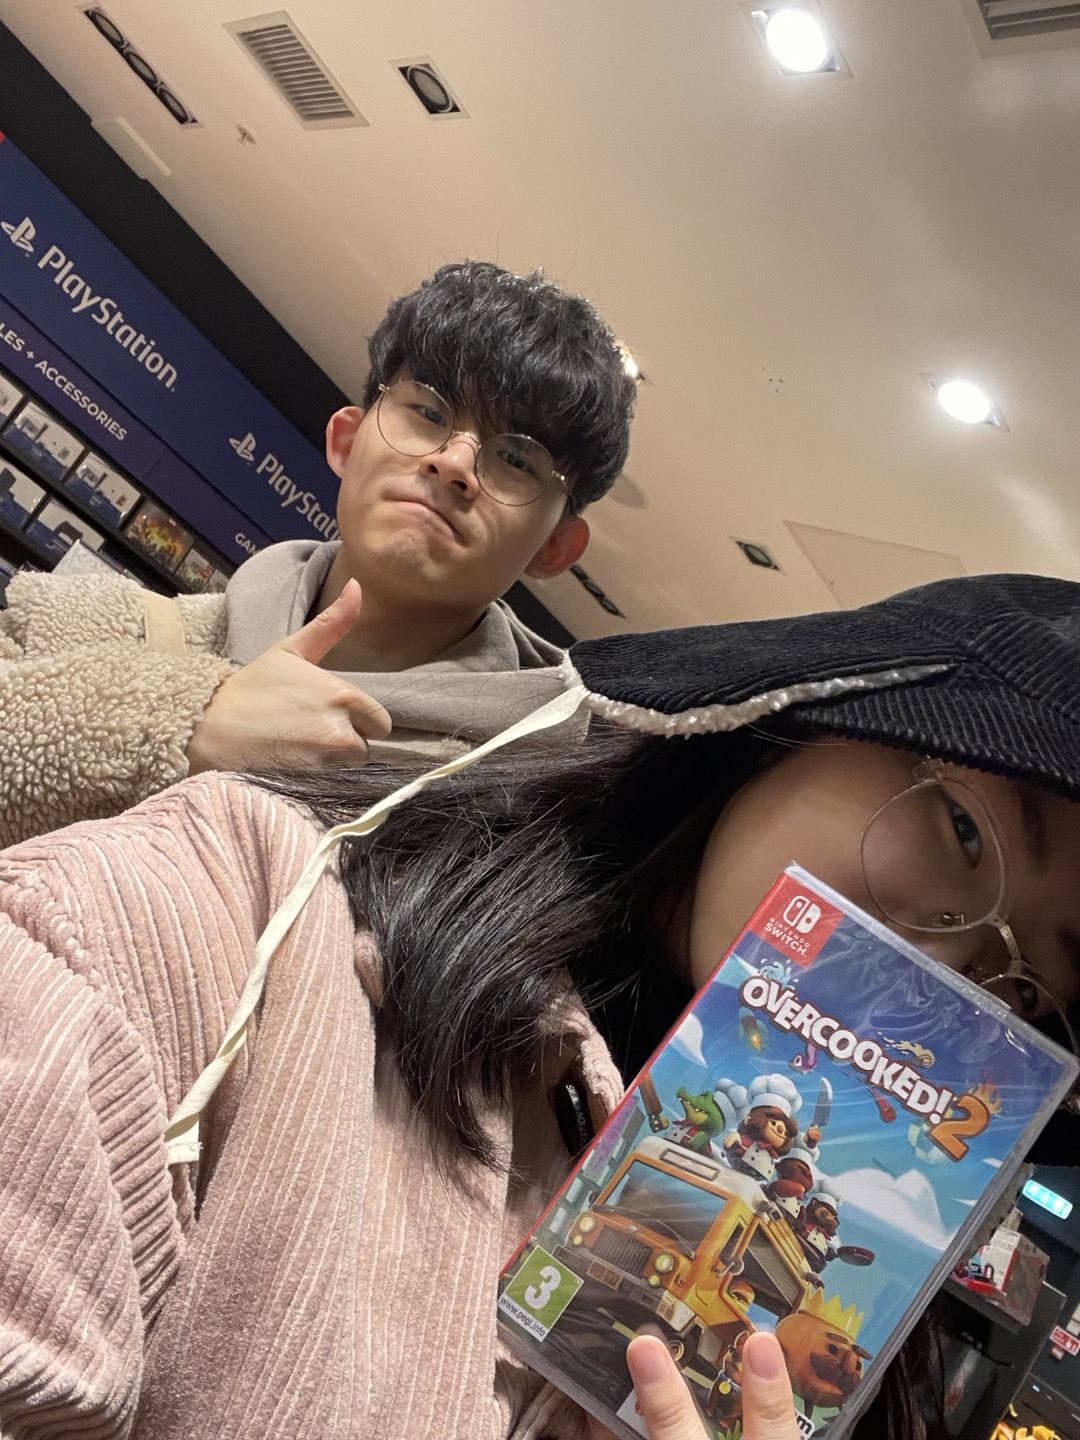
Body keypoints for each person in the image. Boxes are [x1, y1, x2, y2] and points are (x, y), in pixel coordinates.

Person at [1, 573, 1078, 1439]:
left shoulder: (840, 1364)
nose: (946, 977)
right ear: (796, 714)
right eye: (963, 832)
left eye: (1028, 986)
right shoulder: (233, 915)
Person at [0, 259, 636, 846]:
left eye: (517, 458)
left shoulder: (530, 832)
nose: (454, 462)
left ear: (554, 547)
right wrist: (188, 721)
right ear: (347, 442)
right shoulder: (87, 624)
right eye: (428, 411)